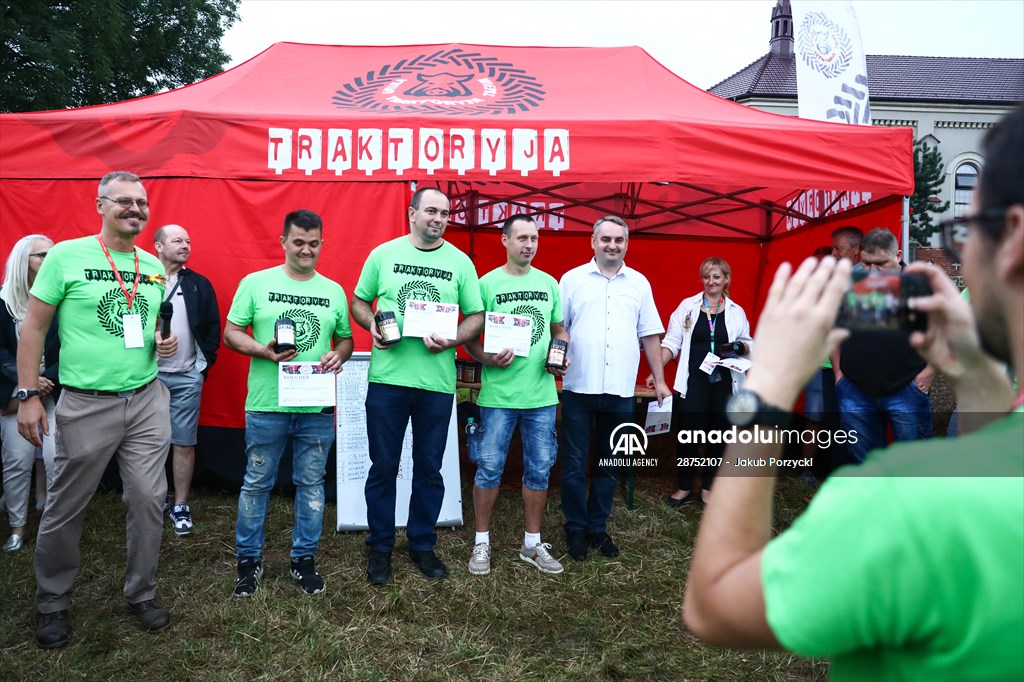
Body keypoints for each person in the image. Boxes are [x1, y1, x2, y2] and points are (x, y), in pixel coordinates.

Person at [683, 104, 1023, 681]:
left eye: (965, 233)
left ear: (1010, 240)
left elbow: (713, 604)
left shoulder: (901, 505)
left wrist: (765, 392)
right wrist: (981, 380)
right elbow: (994, 471)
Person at [17, 171, 178, 648]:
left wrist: (157, 341)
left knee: (149, 499)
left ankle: (142, 593)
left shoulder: (152, 265)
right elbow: (33, 328)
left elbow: (140, 325)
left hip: (147, 398)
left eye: (142, 202)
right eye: (124, 201)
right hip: (87, 403)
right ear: (100, 205)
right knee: (67, 505)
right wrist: (27, 396)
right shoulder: (67, 256)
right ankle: (53, 603)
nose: (136, 209)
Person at [351, 187, 483, 585]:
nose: (438, 218)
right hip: (388, 381)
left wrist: (454, 338)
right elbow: (358, 301)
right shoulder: (384, 254)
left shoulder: (460, 262)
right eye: (430, 211)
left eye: (444, 213)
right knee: (384, 467)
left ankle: (422, 544)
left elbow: (475, 315)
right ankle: (380, 546)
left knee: (429, 468)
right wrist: (372, 323)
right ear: (412, 214)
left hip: (437, 385)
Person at [224, 209, 353, 597]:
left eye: (314, 244)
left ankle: (304, 560)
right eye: (298, 242)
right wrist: (262, 351)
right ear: (283, 242)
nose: (306, 250)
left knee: (311, 484)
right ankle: (248, 562)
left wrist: (339, 356)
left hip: (315, 407)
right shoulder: (255, 283)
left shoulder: (332, 290)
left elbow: (344, 339)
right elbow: (231, 333)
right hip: (267, 405)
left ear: (322, 244)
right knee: (257, 483)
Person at [559, 216, 670, 561]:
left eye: (618, 240)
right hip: (578, 387)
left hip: (620, 391)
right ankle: (575, 528)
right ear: (592, 241)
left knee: (610, 462)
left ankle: (598, 528)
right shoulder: (572, 280)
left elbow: (650, 333)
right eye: (605, 239)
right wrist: (553, 370)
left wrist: (661, 379)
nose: (612, 245)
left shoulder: (639, 283)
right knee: (575, 463)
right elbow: (558, 328)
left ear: (626, 244)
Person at [463, 214, 569, 576]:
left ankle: (531, 543)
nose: (529, 244)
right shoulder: (486, 283)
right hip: (497, 397)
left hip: (541, 395)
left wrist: (560, 354)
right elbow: (470, 338)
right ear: (504, 241)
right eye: (521, 237)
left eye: (534, 238)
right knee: (488, 469)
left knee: (539, 471)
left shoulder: (549, 283)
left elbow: (559, 329)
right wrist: (487, 357)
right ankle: (481, 543)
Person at [651, 257, 752, 507]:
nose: (711, 282)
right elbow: (671, 342)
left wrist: (742, 346)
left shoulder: (736, 311)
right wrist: (657, 371)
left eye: (716, 277)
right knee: (689, 435)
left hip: (726, 382)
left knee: (719, 436)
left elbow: (749, 343)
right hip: (693, 380)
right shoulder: (688, 306)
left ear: (726, 279)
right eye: (706, 277)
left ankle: (708, 489)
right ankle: (684, 487)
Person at [834, 227, 935, 463]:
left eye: (881, 263)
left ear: (898, 255)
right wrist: (839, 374)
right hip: (855, 389)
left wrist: (928, 374)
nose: (873, 271)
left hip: (906, 390)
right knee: (864, 464)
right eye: (867, 264)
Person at [153, 224, 220, 536]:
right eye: (177, 240)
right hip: (147, 376)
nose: (185, 245)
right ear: (158, 247)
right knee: (146, 443)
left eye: (188, 240)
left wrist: (200, 370)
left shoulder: (198, 285)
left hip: (186, 376)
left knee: (184, 440)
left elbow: (211, 329)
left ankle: (180, 504)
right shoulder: (143, 281)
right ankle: (153, 499)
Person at [1, 235, 59, 553]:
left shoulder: (60, 301)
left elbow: (70, 347)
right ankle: (17, 528)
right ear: (25, 261)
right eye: (42, 256)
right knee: (16, 460)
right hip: (16, 394)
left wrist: (46, 378)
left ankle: (52, 524)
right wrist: (27, 380)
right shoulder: (3, 301)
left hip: (52, 392)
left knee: (55, 457)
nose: (49, 261)